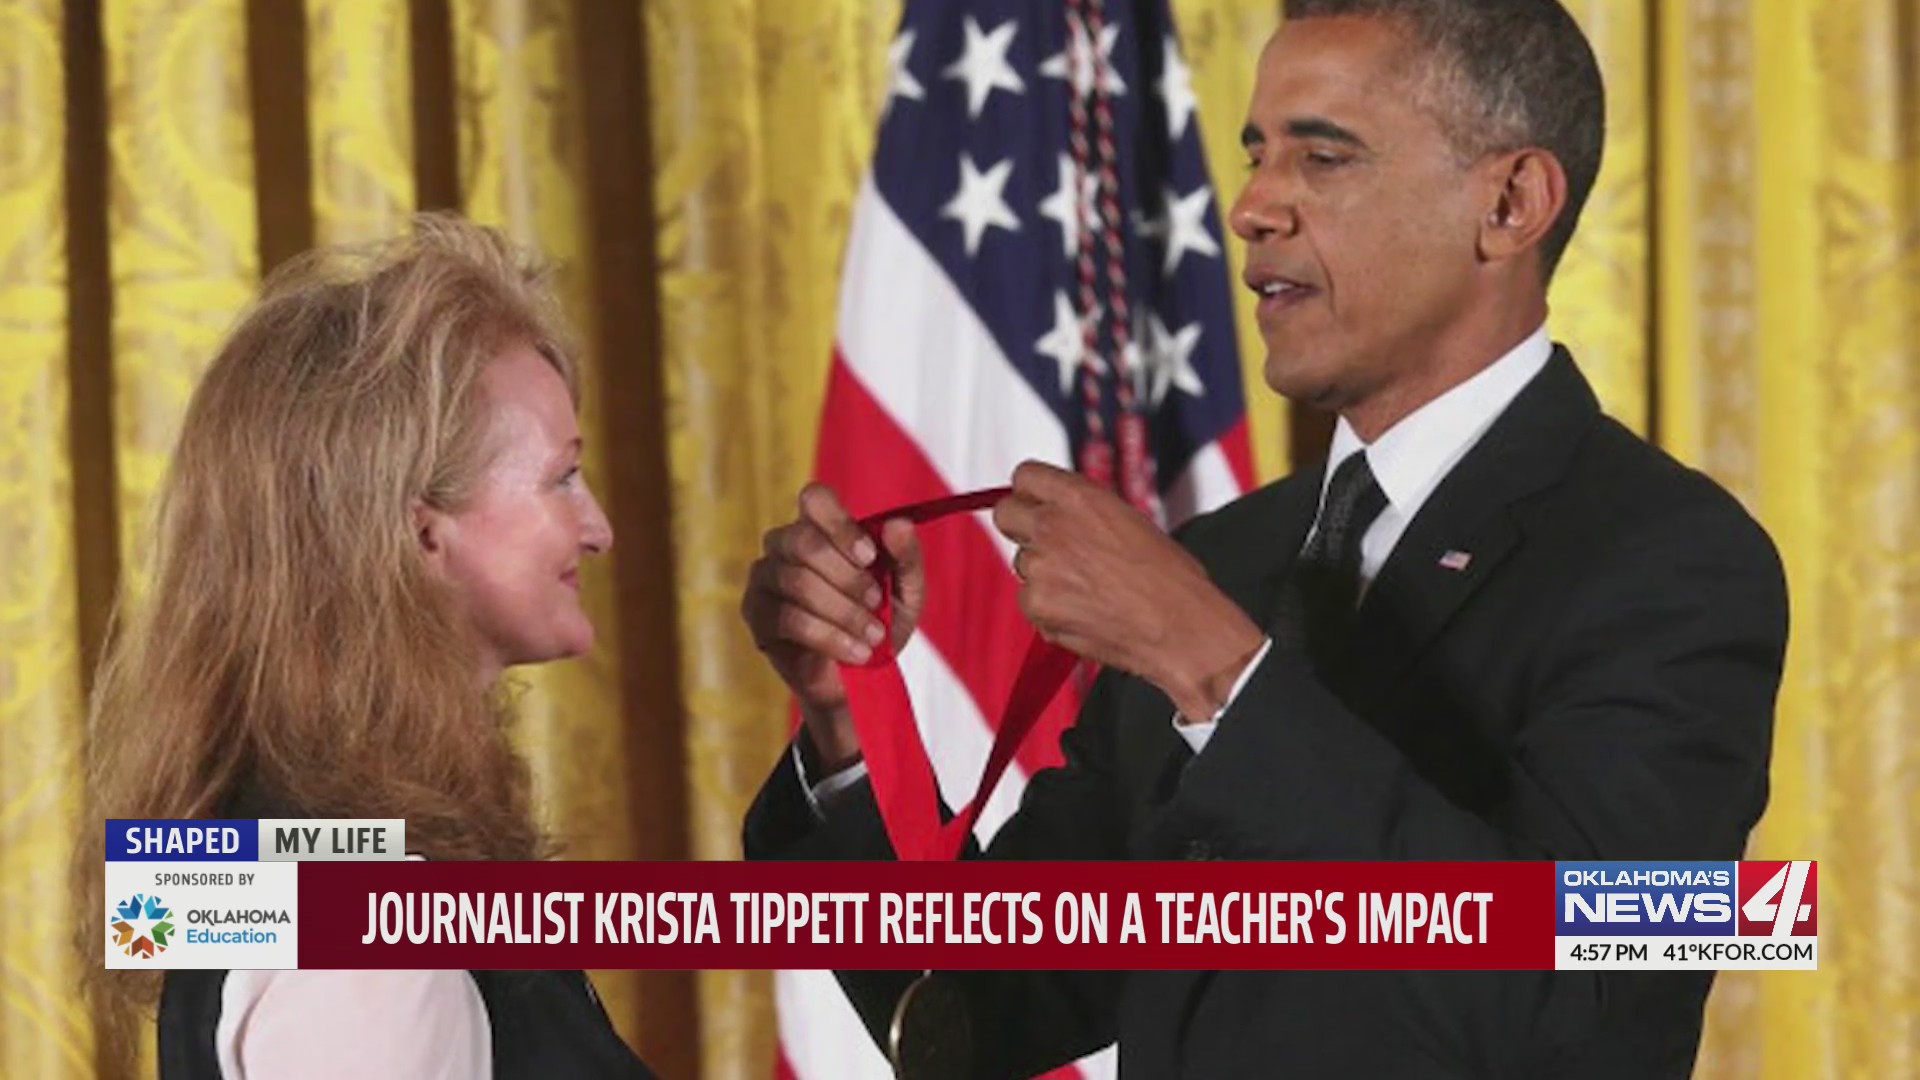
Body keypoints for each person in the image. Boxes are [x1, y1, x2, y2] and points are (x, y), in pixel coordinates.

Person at [739, 1, 1788, 1077]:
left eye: (1323, 157)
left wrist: (1218, 674)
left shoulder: (1671, 564)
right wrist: (845, 735)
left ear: (1510, 203)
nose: (1250, 208)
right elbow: (979, 1018)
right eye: (1256, 155)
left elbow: (1583, 1008)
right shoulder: (1220, 559)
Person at [77, 214, 653, 1079]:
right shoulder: (367, 931)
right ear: (424, 534)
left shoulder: (288, 856)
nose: (599, 528)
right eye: (560, 476)